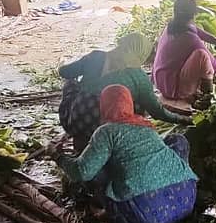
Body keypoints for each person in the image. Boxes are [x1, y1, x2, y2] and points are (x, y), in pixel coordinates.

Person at [48, 85, 198, 223]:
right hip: (185, 201)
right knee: (177, 140)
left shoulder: (106, 131)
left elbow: (82, 172)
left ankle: (112, 210)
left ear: (104, 105)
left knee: (96, 170)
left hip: (144, 218)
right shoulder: (146, 126)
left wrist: (58, 156)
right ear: (129, 104)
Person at [58, 32, 191, 151]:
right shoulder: (138, 76)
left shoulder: (95, 56)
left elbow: (64, 72)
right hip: (108, 129)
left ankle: (82, 141)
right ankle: (108, 147)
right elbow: (156, 112)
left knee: (71, 83)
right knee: (137, 104)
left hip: (77, 119)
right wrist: (181, 119)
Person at [152, 0, 216, 104]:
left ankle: (191, 92)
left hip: (161, 82)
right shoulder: (190, 38)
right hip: (173, 90)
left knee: (198, 55)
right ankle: (206, 99)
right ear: (194, 14)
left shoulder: (171, 27)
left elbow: (196, 30)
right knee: (202, 56)